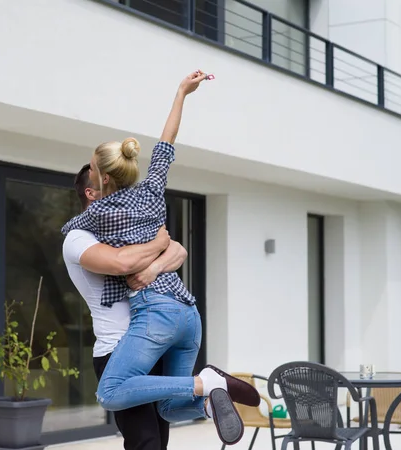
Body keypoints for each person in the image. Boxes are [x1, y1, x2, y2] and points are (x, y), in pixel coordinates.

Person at [61, 71, 260, 446]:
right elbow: (166, 144)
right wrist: (182, 92)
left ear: (98, 186)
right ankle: (207, 403)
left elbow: (123, 260)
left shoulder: (96, 216)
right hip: (188, 315)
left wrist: (152, 256)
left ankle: (207, 382)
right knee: (170, 409)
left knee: (110, 392)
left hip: (154, 318)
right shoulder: (152, 192)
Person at [63, 163, 188, 449]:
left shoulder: (126, 229)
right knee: (145, 442)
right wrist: (158, 243)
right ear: (91, 193)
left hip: (151, 346)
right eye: (110, 184)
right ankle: (203, 387)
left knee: (160, 440)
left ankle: (203, 393)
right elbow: (123, 263)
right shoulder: (78, 238)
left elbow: (179, 250)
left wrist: (153, 269)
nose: (121, 190)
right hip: (117, 352)